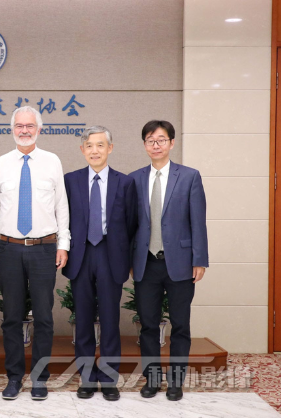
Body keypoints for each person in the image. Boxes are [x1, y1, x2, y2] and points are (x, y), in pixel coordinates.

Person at [0, 106, 70, 401]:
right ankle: (13, 377)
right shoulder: (1, 163)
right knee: (11, 317)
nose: (24, 130)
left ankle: (39, 378)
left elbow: (62, 206)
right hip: (9, 248)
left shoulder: (52, 162)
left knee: (44, 318)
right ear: (12, 129)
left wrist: (64, 244)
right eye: (19, 126)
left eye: (30, 126)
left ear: (39, 129)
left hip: (44, 249)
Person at [129, 120, 208, 401]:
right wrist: (129, 259)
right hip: (146, 264)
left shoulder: (189, 176)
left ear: (172, 143)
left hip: (181, 263)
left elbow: (198, 222)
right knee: (148, 325)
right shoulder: (134, 179)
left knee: (180, 325)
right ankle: (151, 381)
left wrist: (200, 260)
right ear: (144, 145)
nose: (156, 145)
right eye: (150, 140)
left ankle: (175, 382)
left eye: (161, 139)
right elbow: (129, 225)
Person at [62, 126, 137, 401]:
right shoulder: (70, 180)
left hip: (110, 255)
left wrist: (126, 258)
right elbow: (64, 219)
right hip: (81, 256)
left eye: (100, 145)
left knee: (109, 319)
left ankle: (108, 379)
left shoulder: (125, 182)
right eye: (89, 146)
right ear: (83, 150)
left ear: (110, 148)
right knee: (82, 320)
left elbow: (131, 224)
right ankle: (86, 377)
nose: (95, 150)